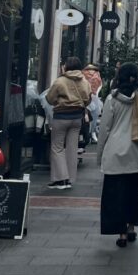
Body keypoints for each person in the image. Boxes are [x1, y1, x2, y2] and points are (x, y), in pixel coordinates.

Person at [98, 62, 138, 247]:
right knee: (133, 192)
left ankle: (121, 234)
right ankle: (131, 227)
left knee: (115, 195)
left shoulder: (112, 99)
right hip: (137, 151)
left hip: (115, 152)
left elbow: (105, 129)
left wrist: (100, 155)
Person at [44, 57, 91, 189]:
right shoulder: (85, 82)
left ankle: (60, 179)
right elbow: (88, 100)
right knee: (72, 148)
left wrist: (58, 102)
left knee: (57, 147)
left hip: (61, 117)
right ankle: (69, 179)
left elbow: (49, 98)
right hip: (77, 118)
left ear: (66, 67)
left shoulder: (60, 81)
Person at [82, 62, 103, 142]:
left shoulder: (83, 73)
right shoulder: (97, 74)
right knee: (94, 116)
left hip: (86, 96)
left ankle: (87, 133)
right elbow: (100, 85)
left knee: (86, 115)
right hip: (94, 97)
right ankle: (92, 133)